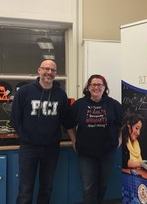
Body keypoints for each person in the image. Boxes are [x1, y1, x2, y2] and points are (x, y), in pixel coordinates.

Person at [11, 59, 70, 204]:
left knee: (47, 187)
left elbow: (65, 119)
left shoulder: (61, 95)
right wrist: (24, 136)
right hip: (28, 147)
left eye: (53, 70)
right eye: (46, 69)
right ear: (39, 70)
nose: (49, 72)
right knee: (25, 189)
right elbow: (15, 117)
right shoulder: (25, 91)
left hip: (51, 148)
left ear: (56, 73)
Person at [66, 74, 122, 204]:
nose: (96, 87)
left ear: (104, 88)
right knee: (88, 187)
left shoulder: (113, 104)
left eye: (99, 85)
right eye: (93, 85)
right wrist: (74, 141)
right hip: (86, 153)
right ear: (88, 87)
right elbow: (68, 124)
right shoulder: (80, 104)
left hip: (107, 152)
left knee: (102, 185)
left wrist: (119, 138)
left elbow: (124, 122)